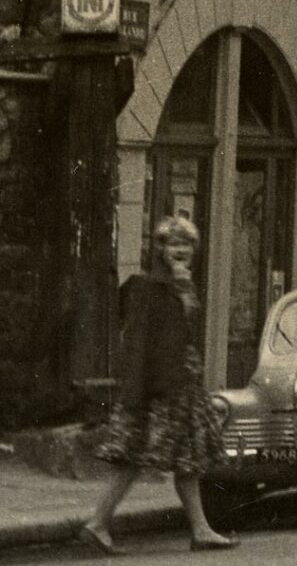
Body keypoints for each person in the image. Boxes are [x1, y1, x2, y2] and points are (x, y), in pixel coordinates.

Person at [79, 215, 239, 555]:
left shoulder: (183, 285)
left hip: (182, 384)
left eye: (187, 244)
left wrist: (183, 290)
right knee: (139, 457)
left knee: (187, 458)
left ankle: (200, 529)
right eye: (172, 244)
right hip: (161, 388)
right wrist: (136, 391)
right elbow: (139, 342)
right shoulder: (148, 287)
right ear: (160, 250)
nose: (180, 250)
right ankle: (98, 523)